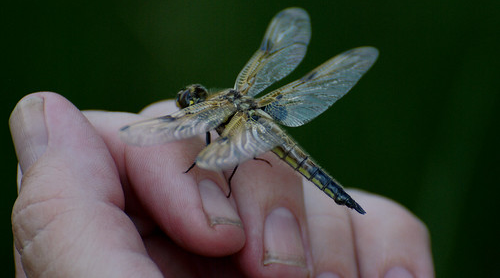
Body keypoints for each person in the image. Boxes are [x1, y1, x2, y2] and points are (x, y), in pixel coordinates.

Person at [9, 92, 434, 278]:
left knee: (213, 165)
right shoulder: (230, 107)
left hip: (259, 135)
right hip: (264, 132)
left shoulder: (213, 114)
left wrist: (205, 160)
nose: (191, 104)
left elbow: (205, 146)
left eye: (192, 102)